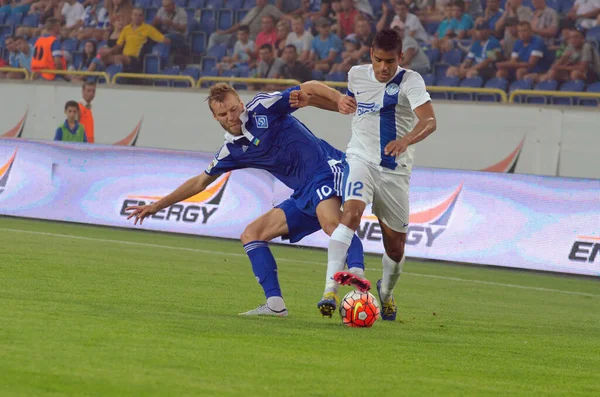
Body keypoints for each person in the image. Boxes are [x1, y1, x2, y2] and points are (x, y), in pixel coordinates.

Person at [125, 83, 366, 317]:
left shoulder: (263, 107)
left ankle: (357, 277)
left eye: (233, 109)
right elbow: (200, 182)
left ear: (241, 103)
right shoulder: (231, 151)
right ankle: (275, 305)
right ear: (215, 117)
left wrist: (338, 99)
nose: (231, 116)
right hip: (302, 192)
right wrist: (156, 206)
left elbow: (309, 87)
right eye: (223, 113)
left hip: (326, 169)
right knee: (252, 234)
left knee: (332, 225)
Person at [289, 28, 437, 321]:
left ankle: (386, 292)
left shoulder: (411, 81)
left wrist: (405, 140)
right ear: (371, 54)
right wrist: (315, 101)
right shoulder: (357, 75)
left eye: (390, 62)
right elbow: (349, 106)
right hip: (360, 159)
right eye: (379, 60)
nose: (384, 68)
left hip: (395, 171)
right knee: (351, 214)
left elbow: (429, 120)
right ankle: (329, 289)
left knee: (395, 247)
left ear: (401, 58)